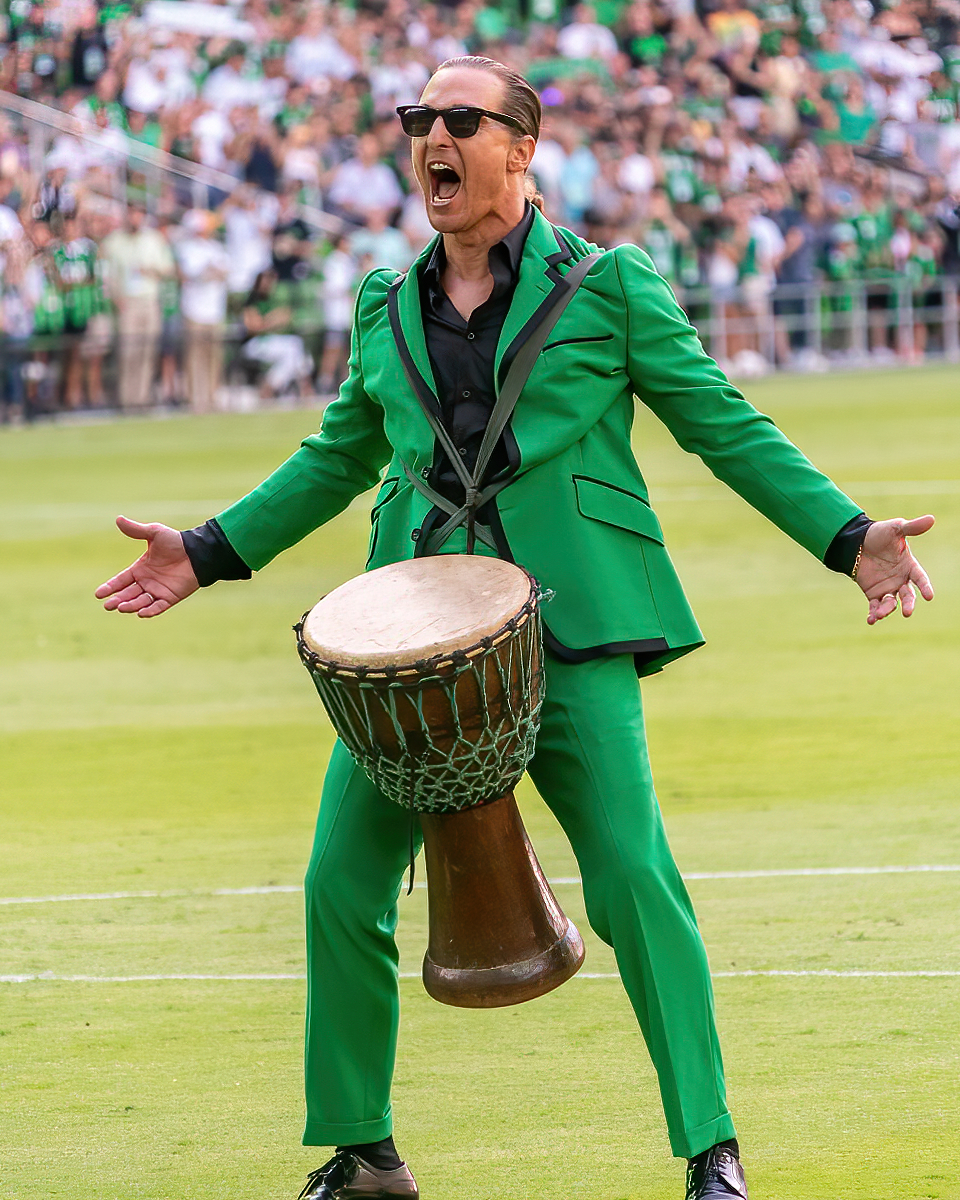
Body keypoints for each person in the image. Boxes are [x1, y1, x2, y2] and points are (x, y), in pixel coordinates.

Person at [95, 57, 936, 1200]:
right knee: (338, 885)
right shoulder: (384, 302)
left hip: (573, 631)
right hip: (410, 654)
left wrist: (849, 538)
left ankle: (712, 1151)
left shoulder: (612, 284)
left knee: (635, 880)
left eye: (457, 120)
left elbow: (723, 426)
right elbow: (338, 455)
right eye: (416, 122)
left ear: (521, 147)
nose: (430, 139)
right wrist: (204, 551)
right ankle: (363, 1153)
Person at [101, 203, 175, 410]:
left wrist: (151, 271)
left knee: (147, 352)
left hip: (149, 300)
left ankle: (142, 398)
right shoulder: (114, 241)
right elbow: (105, 273)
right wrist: (115, 298)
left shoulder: (154, 239)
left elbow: (168, 269)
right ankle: (127, 399)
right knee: (128, 353)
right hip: (127, 302)